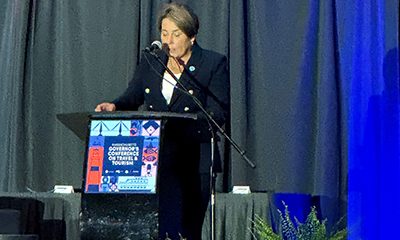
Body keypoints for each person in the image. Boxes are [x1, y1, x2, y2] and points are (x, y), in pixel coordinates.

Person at [96, 2, 229, 239]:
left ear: (192, 36)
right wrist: (114, 105)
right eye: (164, 33)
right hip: (154, 160)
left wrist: (183, 121)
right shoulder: (152, 61)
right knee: (157, 228)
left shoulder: (213, 63)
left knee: (186, 230)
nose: (169, 40)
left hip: (194, 160)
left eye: (176, 34)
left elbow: (218, 112)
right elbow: (133, 95)